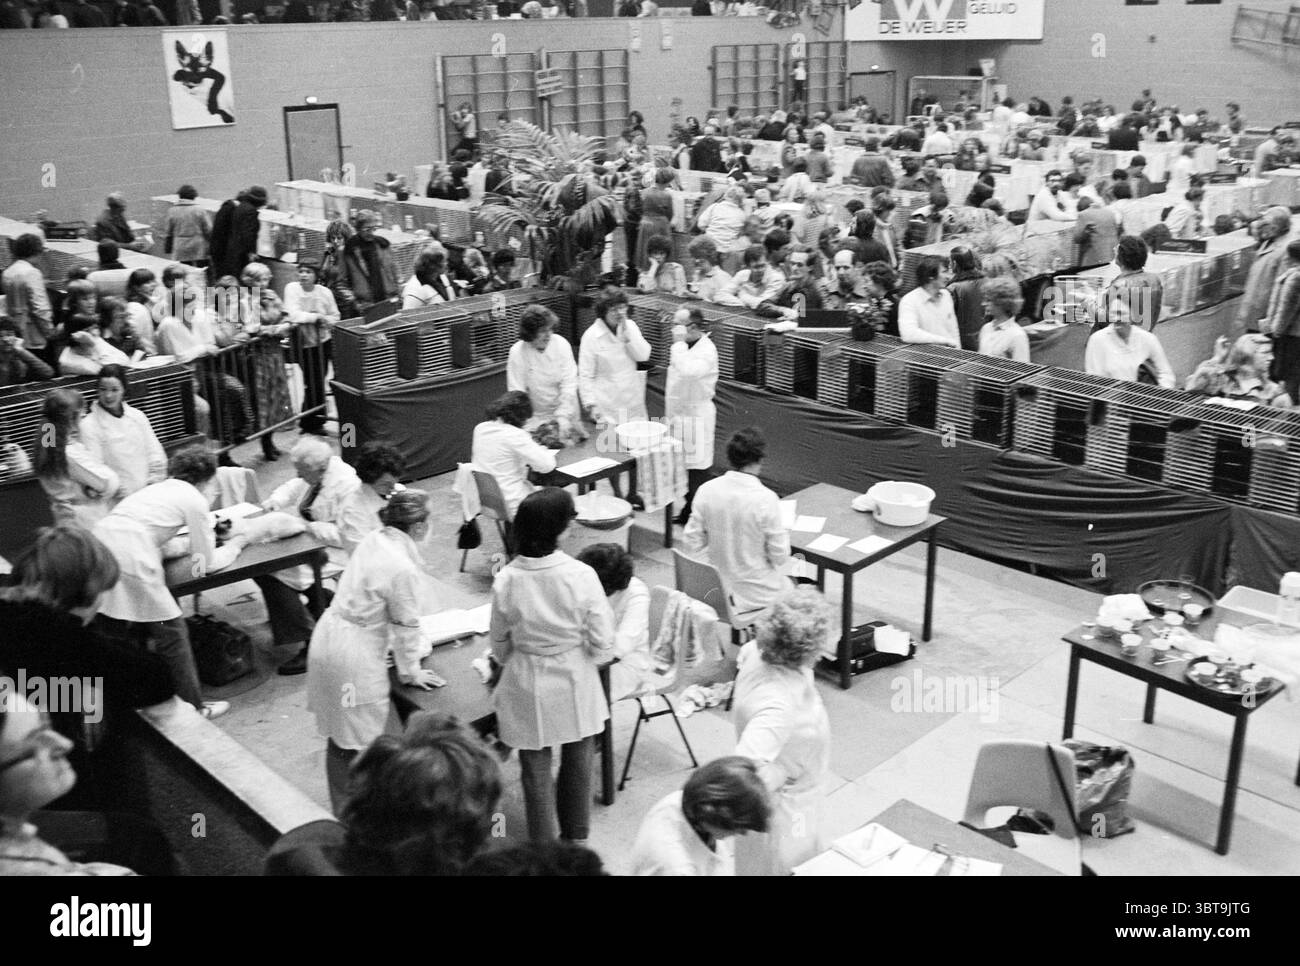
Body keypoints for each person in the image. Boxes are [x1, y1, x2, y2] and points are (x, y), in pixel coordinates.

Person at [0, 526, 176, 813]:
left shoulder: (13, 616)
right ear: (87, 594)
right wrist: (84, 630)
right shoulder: (61, 638)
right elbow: (157, 678)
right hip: (37, 798)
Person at [305, 490, 444, 814]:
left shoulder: (375, 539)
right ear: (420, 526)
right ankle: (379, 821)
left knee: (341, 740)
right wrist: (411, 671)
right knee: (377, 746)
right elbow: (406, 625)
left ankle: (345, 816)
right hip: (353, 658)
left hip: (328, 638)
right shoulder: (402, 567)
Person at [490, 487, 614, 844]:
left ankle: (543, 848)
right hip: (575, 675)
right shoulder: (581, 575)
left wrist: (508, 659)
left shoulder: (507, 579)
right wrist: (593, 655)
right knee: (579, 760)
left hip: (526, 676)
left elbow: (499, 641)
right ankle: (575, 837)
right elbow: (603, 639)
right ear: (559, 528)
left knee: (535, 770)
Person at [93, 446, 246, 718]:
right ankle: (194, 707)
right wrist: (236, 545)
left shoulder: (158, 490)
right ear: (208, 478)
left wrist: (190, 544)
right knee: (172, 634)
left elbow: (160, 536)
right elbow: (205, 564)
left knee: (111, 634)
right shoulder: (195, 501)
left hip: (99, 549)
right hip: (132, 557)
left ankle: (117, 708)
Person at [732, 587, 832, 876]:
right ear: (809, 649)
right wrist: (781, 773)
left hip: (794, 804)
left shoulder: (756, 653)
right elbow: (745, 772)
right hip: (786, 813)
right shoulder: (779, 706)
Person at [258, 436, 362, 676]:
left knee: (274, 573)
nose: (300, 475)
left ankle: (309, 640)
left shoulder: (347, 485)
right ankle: (317, 603)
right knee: (265, 567)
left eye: (303, 471)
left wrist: (309, 527)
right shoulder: (314, 472)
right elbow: (294, 486)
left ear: (321, 467)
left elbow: (346, 536)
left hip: (335, 551)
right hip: (308, 542)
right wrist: (275, 501)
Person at [683, 426, 790, 620]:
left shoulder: (706, 490)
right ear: (760, 459)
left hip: (714, 591)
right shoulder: (767, 500)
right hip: (756, 595)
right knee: (794, 584)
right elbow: (780, 557)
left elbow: (691, 542)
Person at [629, 756, 771, 876]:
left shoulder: (686, 802)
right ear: (711, 816)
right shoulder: (675, 865)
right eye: (736, 827)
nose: (742, 833)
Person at [34, 387, 123, 528]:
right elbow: (108, 483)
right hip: (87, 521)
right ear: (72, 419)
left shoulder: (47, 446)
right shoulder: (67, 454)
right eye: (81, 416)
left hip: (66, 519)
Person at [575, 543, 652, 702]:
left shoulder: (637, 595)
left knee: (578, 695)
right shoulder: (583, 584)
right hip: (589, 655)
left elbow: (621, 647)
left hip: (625, 664)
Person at [78, 365, 167, 499]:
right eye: (103, 390)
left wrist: (154, 481)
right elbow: (96, 468)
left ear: (123, 390)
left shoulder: (138, 416)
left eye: (114, 390)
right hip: (117, 501)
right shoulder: (88, 425)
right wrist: (117, 491)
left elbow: (155, 452)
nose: (108, 395)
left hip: (150, 494)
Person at [664, 306, 719, 524]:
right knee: (682, 467)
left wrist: (677, 344)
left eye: (678, 324)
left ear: (693, 327)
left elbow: (688, 372)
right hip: (679, 414)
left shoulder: (706, 350)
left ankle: (697, 515)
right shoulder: (684, 346)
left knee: (697, 469)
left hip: (697, 415)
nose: (674, 329)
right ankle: (689, 508)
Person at [471, 390, 558, 519]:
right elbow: (547, 466)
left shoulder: (480, 428)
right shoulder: (515, 435)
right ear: (521, 417)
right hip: (514, 503)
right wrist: (543, 451)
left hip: (487, 501)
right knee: (559, 497)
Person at [578, 287, 650, 428]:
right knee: (611, 446)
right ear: (603, 311)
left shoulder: (630, 326)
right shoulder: (591, 336)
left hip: (632, 398)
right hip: (607, 403)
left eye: (622, 308)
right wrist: (591, 405)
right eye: (614, 309)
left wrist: (628, 335)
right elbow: (585, 375)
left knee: (638, 443)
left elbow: (643, 356)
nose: (619, 313)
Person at [282, 260, 339, 436]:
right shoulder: (292, 288)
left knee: (318, 381)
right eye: (301, 271)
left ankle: (312, 421)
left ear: (316, 275)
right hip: (303, 343)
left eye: (308, 272)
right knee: (312, 382)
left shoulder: (325, 292)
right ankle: (310, 421)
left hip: (323, 341)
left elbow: (335, 315)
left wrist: (326, 320)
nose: (303, 275)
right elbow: (293, 313)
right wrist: (316, 317)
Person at [506, 304, 580, 432]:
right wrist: (526, 424)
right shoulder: (517, 352)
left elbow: (569, 382)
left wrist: (563, 415)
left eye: (550, 329)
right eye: (542, 331)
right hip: (535, 418)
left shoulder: (561, 344)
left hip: (566, 413)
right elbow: (516, 392)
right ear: (530, 333)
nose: (548, 335)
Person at [1186, 333, 1291, 408]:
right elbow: (1190, 392)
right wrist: (1217, 358)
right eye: (1265, 353)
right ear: (1247, 355)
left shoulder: (1274, 393)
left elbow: (1276, 435)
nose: (1271, 358)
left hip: (1250, 437)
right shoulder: (1221, 380)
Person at [1085, 301, 1175, 387]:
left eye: (1121, 313)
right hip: (1111, 399)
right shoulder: (1097, 340)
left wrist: (1161, 394)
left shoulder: (1148, 339)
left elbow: (1166, 374)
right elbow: (1094, 381)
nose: (1116, 318)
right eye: (1113, 313)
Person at [338, 441, 406, 555]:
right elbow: (361, 554)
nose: (392, 487)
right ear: (369, 479)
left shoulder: (397, 490)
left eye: (396, 480)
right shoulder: (353, 510)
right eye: (385, 484)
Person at [1237, 207, 1295, 334]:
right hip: (1254, 312)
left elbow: (1281, 288)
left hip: (1264, 318)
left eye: (1266, 223)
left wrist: (1271, 320)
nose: (1261, 226)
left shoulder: (1285, 250)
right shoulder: (1268, 242)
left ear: (1276, 227)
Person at [2, 233, 56, 365]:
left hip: (15, 334)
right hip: (34, 336)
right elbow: (40, 308)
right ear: (38, 251)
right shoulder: (32, 273)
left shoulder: (7, 272)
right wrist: (50, 332)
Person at [338, 210, 399, 317]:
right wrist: (355, 303)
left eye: (373, 228)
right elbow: (341, 283)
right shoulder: (348, 250)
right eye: (367, 229)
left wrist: (399, 295)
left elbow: (396, 273)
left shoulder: (383, 245)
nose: (371, 233)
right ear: (358, 228)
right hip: (365, 306)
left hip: (388, 301)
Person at [1262, 239, 1300, 401]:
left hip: (1291, 333)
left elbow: (1287, 307)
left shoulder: (1295, 278)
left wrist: (1276, 330)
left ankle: (1287, 404)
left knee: (1287, 371)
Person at [897, 255, 960, 347]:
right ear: (930, 276)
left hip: (951, 355)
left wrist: (958, 348)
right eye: (944, 272)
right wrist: (944, 341)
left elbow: (953, 328)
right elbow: (908, 334)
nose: (949, 277)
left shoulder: (946, 295)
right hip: (924, 358)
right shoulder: (909, 301)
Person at [1105, 235, 1164, 332]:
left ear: (1123, 257)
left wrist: (1088, 302)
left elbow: (1106, 318)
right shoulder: (1154, 280)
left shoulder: (1119, 286)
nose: (1114, 249)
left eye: (1117, 248)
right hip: (1145, 337)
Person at [209, 186, 268, 281]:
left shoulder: (240, 207)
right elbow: (248, 234)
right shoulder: (250, 212)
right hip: (242, 255)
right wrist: (251, 252)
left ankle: (222, 296)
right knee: (251, 280)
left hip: (231, 254)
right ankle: (253, 296)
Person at [977, 277, 1031, 363]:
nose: (983, 304)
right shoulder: (985, 328)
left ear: (1002, 303)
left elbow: (1023, 372)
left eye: (989, 300)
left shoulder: (1017, 336)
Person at [946, 246, 985, 351]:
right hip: (985, 339)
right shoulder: (988, 282)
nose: (949, 265)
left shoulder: (953, 289)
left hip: (963, 345)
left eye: (950, 262)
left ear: (954, 264)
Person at [164, 185, 211, 267]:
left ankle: (179, 281)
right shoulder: (200, 210)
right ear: (194, 196)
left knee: (180, 271)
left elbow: (168, 231)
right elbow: (208, 229)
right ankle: (204, 280)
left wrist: (168, 246)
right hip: (198, 246)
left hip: (180, 245)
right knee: (202, 269)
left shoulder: (172, 211)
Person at [0, 316, 54, 386]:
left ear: (17, 338)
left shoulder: (20, 354)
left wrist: (21, 351)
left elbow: (48, 373)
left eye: (9, 334)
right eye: (0, 336)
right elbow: (3, 386)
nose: (5, 339)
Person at [1072, 195, 1120, 271]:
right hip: (1112, 255)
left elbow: (1077, 238)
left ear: (1081, 208)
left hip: (1094, 258)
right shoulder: (1110, 213)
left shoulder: (1083, 214)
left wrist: (1085, 233)